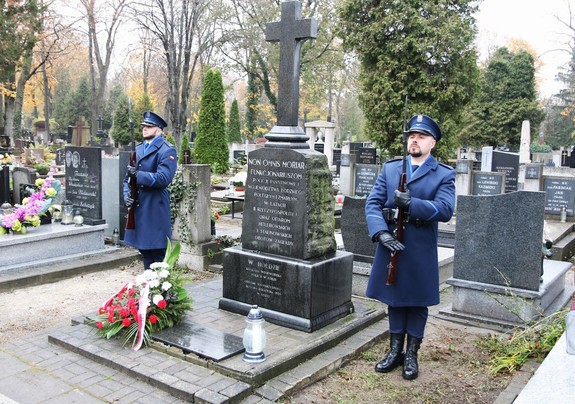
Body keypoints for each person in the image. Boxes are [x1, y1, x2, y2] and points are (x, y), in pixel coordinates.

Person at [365, 114, 455, 380]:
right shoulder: (392, 169)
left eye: (422, 136)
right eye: (412, 136)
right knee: (394, 299)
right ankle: (395, 352)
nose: (414, 140)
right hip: (390, 242)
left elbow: (446, 209)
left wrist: (412, 204)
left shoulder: (443, 174)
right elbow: (372, 203)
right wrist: (380, 232)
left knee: (416, 302)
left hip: (418, 247)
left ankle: (412, 354)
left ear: (433, 143)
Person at [123, 111, 178, 270]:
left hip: (155, 208)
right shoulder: (138, 150)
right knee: (145, 253)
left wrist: (139, 175)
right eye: (144, 126)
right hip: (139, 209)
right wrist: (127, 196)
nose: (145, 129)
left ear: (159, 130)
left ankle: (161, 292)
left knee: (158, 255)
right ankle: (150, 290)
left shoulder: (167, 150)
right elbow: (126, 179)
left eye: (149, 126)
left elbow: (163, 178)